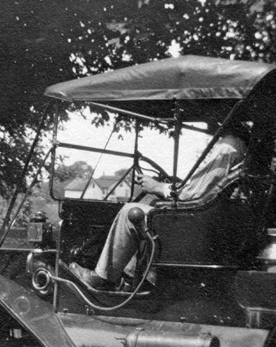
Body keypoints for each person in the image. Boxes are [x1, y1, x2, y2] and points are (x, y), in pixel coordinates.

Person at [70, 121, 250, 290]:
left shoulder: (228, 147)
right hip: (206, 221)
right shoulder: (238, 146)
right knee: (151, 205)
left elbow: (192, 194)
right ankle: (136, 277)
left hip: (195, 224)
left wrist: (158, 186)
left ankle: (103, 278)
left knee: (128, 212)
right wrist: (165, 187)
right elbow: (201, 188)